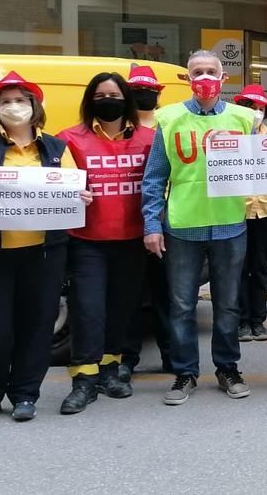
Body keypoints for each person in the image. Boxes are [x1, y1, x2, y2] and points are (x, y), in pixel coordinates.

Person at [0, 71, 92, 424]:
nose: (14, 107)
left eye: (21, 100)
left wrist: (81, 198)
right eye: (5, 101)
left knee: (37, 324)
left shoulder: (56, 148)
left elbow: (72, 190)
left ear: (34, 106)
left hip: (43, 253)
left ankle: (26, 394)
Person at [142, 50, 255, 406]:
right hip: (182, 226)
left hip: (229, 225)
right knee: (181, 305)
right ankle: (185, 372)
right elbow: (154, 177)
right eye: (197, 72)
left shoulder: (244, 118)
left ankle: (227, 368)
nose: (204, 77)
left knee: (228, 305)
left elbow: (266, 162)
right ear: (188, 79)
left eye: (211, 71)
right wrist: (151, 224)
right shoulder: (169, 118)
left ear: (223, 78)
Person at [55, 72, 154, 415]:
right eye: (100, 95)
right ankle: (83, 380)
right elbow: (51, 186)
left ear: (126, 99)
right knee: (87, 311)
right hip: (87, 242)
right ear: (89, 100)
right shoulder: (69, 139)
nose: (107, 100)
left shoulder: (149, 139)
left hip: (132, 241)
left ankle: (110, 371)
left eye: (114, 94)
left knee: (121, 311)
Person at [120, 63, 171, 382]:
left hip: (169, 221)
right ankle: (127, 356)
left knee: (169, 294)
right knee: (132, 296)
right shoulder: (117, 126)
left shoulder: (167, 122)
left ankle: (172, 354)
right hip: (128, 222)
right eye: (139, 90)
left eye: (150, 91)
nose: (144, 95)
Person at [232, 85, 267, 344]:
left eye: (260, 108)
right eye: (249, 107)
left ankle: (258, 321)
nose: (255, 112)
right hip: (236, 210)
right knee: (239, 268)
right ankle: (241, 321)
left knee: (261, 267)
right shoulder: (227, 139)